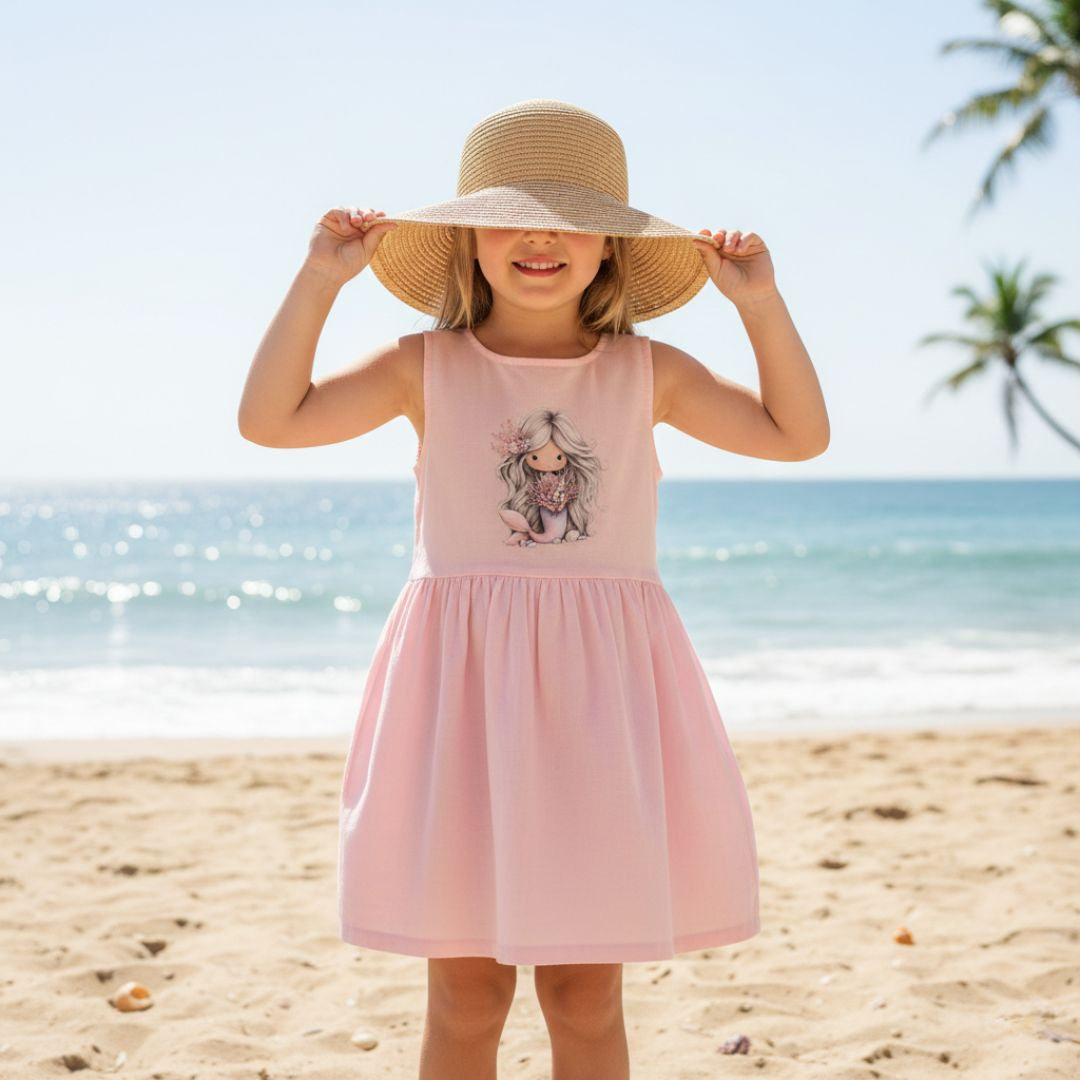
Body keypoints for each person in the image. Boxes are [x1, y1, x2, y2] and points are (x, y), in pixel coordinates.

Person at [238, 99, 829, 1080]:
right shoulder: (422, 368)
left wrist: (759, 305)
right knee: (466, 994)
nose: (542, 237)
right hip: (460, 705)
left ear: (610, 250)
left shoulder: (653, 374)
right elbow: (270, 420)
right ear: (468, 243)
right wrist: (317, 282)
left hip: (600, 708)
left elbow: (797, 435)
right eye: (513, 213)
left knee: (583, 994)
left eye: (571, 218)